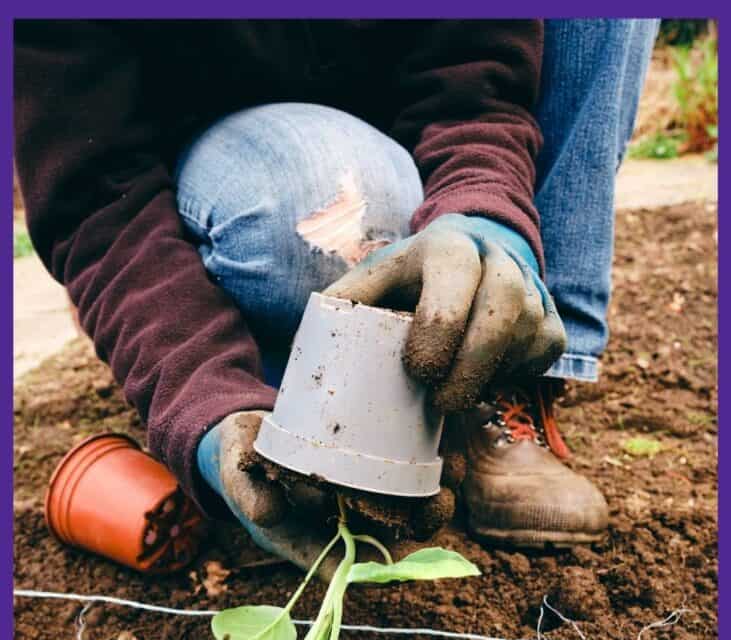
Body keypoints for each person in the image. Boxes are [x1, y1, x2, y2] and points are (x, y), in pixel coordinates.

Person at [14, 18, 658, 567]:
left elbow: (475, 74)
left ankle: (503, 369)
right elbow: (96, 192)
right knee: (327, 198)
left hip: (412, 132)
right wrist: (201, 404)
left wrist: (488, 217)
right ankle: (278, 383)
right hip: (231, 166)